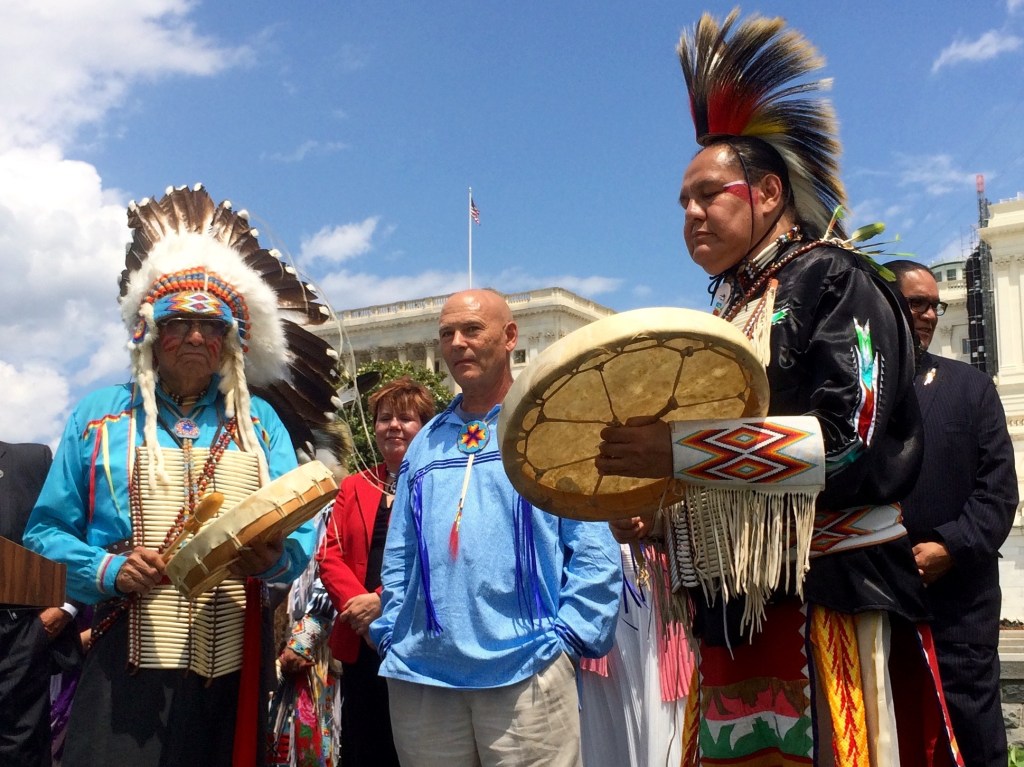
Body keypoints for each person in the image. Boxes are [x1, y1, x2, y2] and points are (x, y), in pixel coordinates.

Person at [596, 12, 960, 765]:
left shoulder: (838, 279)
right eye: (682, 204)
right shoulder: (734, 310)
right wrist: (660, 516)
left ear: (766, 190)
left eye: (708, 195)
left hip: (829, 595)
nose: (691, 214)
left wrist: (680, 450)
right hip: (738, 606)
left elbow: (849, 441)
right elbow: (727, 480)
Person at [23, 184, 339, 767]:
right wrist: (108, 568)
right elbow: (43, 536)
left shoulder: (259, 422)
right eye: (180, 322)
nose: (196, 336)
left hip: (234, 663)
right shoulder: (100, 415)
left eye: (212, 326)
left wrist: (272, 557)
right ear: (147, 332)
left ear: (232, 342)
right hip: (126, 659)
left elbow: (301, 535)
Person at [368, 289, 622, 767]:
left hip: (528, 671)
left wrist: (571, 637)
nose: (458, 343)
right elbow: (399, 552)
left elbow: (592, 542)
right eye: (447, 333)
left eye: (471, 330)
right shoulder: (426, 443)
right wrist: (391, 630)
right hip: (424, 677)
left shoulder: (550, 429)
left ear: (510, 337)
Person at [889, 259, 1018, 767]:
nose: (928, 315)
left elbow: (998, 492)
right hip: (879, 600)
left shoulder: (970, 389)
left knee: (971, 737)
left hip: (959, 605)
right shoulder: (852, 401)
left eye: (934, 306)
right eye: (915, 303)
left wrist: (951, 546)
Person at [318, 376, 436, 766]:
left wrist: (383, 602)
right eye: (385, 418)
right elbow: (329, 554)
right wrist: (361, 612)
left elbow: (434, 554)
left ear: (425, 426)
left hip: (415, 632)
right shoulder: (354, 485)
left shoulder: (437, 482)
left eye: (406, 418)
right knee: (364, 743)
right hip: (361, 636)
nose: (394, 426)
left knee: (414, 745)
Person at [0, 440, 80, 767]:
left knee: (19, 752)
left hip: (19, 632)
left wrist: (64, 607)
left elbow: (73, 531)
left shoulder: (31, 460)